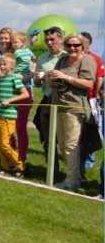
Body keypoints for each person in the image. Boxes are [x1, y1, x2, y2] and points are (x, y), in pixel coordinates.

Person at [47, 33, 96, 191]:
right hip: (58, 106)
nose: (72, 48)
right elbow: (54, 83)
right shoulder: (62, 60)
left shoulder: (87, 60)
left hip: (74, 108)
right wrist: (50, 78)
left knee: (71, 145)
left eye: (76, 45)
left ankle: (72, 180)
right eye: (69, 45)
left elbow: (88, 83)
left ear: (82, 46)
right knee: (62, 144)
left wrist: (66, 77)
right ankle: (73, 176)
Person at [33, 26, 65, 178]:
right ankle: (53, 171)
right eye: (47, 41)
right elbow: (38, 85)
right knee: (48, 138)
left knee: (67, 140)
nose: (50, 43)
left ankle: (75, 173)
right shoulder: (42, 59)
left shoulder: (68, 57)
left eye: (53, 40)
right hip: (47, 100)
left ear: (61, 39)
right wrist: (38, 80)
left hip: (65, 103)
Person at [0, 53, 29, 177]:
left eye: (4, 64)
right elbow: (3, 95)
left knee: (5, 144)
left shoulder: (15, 78)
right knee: (0, 144)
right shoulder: (1, 80)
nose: (2, 66)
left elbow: (25, 94)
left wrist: (9, 101)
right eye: (0, 64)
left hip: (9, 116)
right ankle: (5, 167)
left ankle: (20, 166)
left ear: (12, 65)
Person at [78, 31, 104, 174]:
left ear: (90, 43)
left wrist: (97, 95)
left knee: (91, 128)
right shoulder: (74, 57)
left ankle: (89, 159)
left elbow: (99, 78)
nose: (83, 46)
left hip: (91, 99)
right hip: (77, 99)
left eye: (85, 43)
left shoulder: (96, 59)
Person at [11, 31, 36, 163]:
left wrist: (30, 71)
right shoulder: (21, 52)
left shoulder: (20, 52)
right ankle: (11, 156)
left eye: (16, 42)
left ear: (22, 43)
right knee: (11, 125)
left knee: (20, 126)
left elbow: (33, 60)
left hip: (24, 85)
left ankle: (21, 159)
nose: (14, 45)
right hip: (17, 84)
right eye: (13, 43)